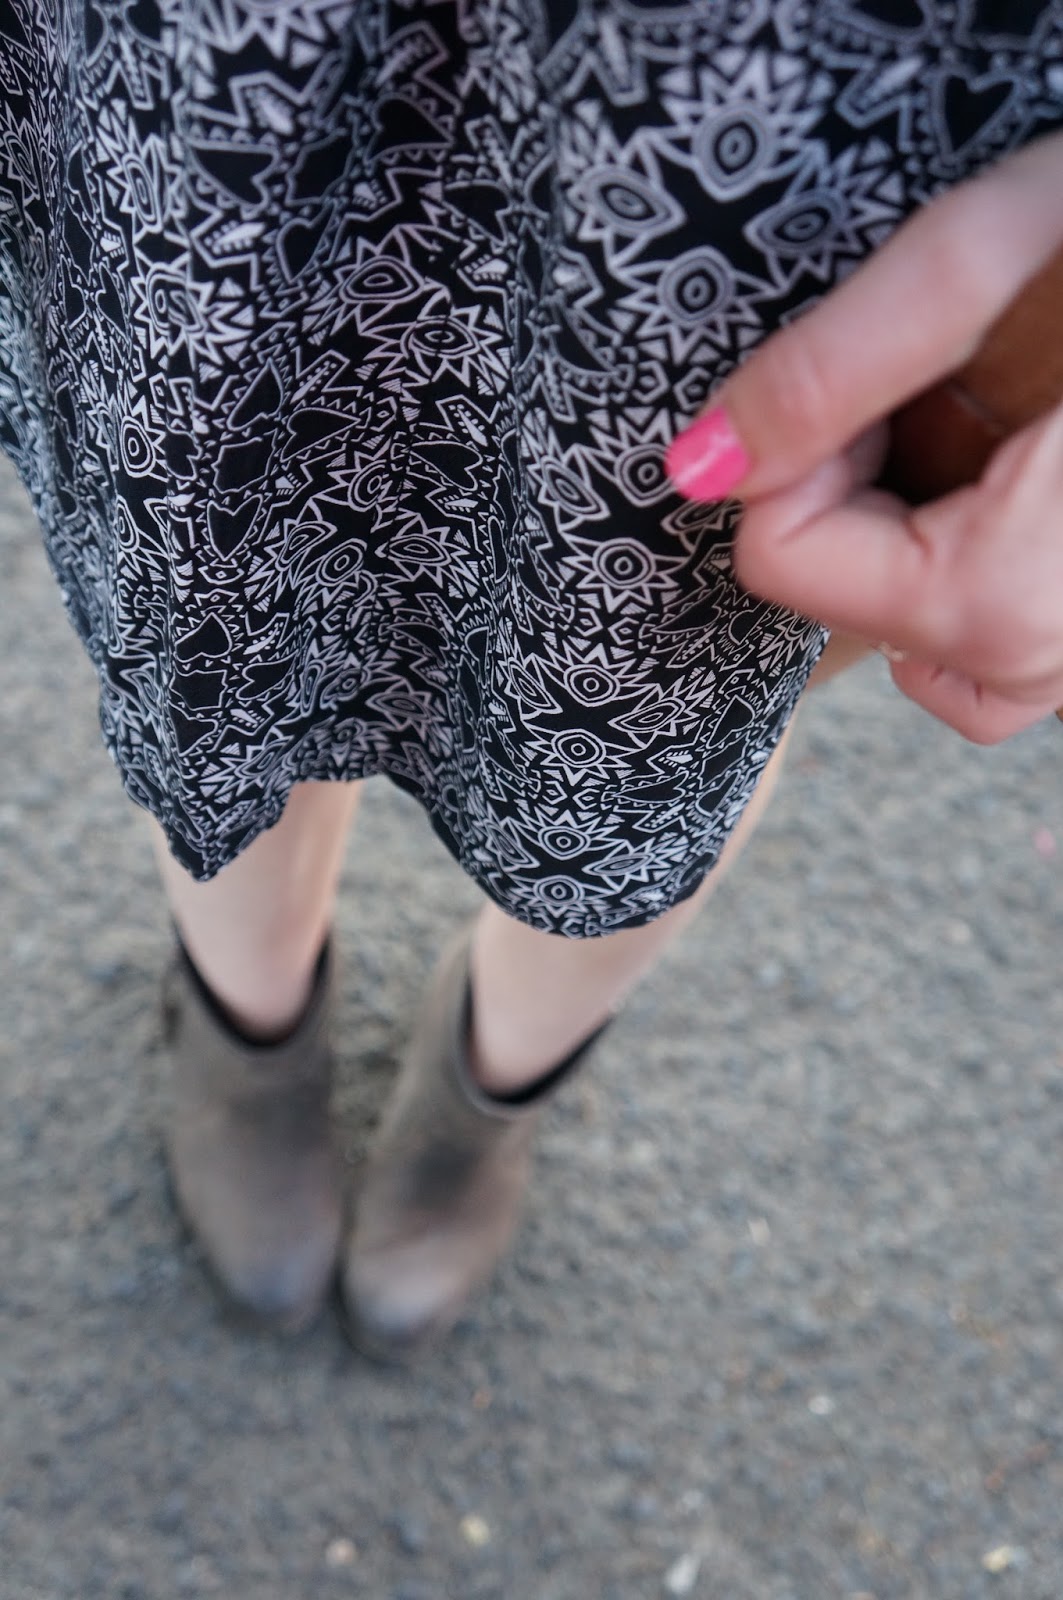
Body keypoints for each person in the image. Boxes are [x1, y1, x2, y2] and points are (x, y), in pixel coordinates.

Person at [1, 2, 1060, 1357]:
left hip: (768, 121)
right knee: (231, 574)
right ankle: (245, 1011)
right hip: (245, 59)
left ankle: (497, 1074)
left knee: (663, 678)